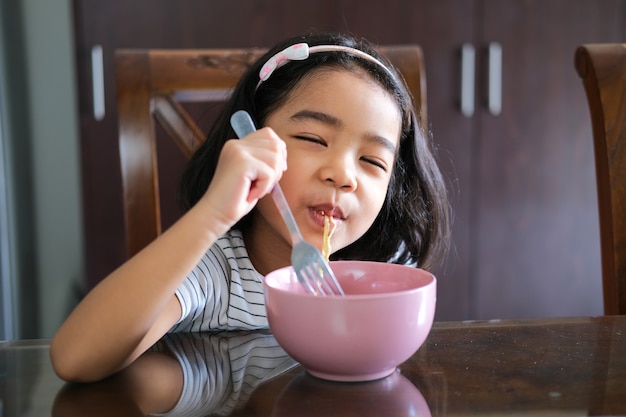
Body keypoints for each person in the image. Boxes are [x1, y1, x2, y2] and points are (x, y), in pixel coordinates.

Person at [50, 32, 451, 382]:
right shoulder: (216, 274)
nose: (343, 175)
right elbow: (75, 359)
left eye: (373, 161)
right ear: (253, 143)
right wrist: (212, 214)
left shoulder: (385, 272)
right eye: (313, 138)